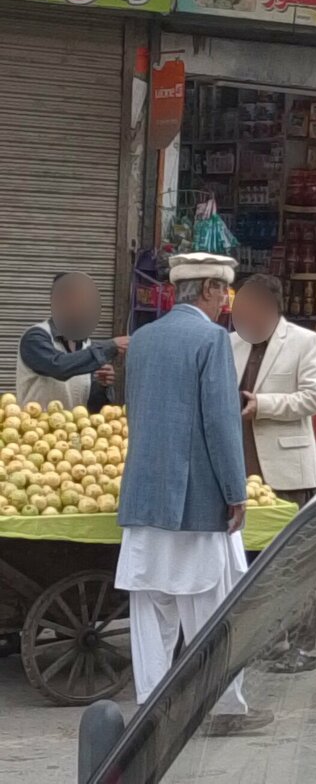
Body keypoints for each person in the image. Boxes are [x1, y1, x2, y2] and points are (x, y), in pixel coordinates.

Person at [116, 252, 272, 735]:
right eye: (224, 291)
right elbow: (221, 423)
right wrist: (235, 489)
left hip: (143, 497)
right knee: (210, 610)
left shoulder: (142, 339)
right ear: (208, 290)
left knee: (150, 611)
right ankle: (222, 706)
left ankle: (150, 707)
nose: (227, 301)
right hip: (194, 501)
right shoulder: (210, 340)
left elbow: (134, 409)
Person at [230, 273, 316, 674]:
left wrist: (263, 405)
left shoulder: (305, 342)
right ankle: (265, 639)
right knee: (251, 560)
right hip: (239, 469)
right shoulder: (230, 342)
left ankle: (299, 645)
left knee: (295, 560)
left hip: (286, 471)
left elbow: (314, 397)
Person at [16, 272, 129, 413]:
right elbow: (58, 366)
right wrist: (111, 346)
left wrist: (102, 385)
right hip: (36, 431)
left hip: (74, 432)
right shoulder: (35, 337)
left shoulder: (87, 347)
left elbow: (92, 406)